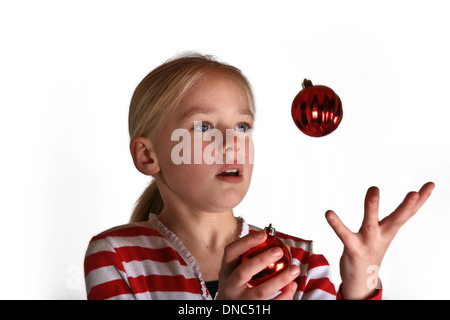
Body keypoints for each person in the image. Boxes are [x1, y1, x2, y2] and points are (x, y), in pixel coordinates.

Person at [84, 53, 434, 300]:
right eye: (204, 126)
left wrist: (363, 284)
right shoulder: (117, 256)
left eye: (242, 126)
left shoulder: (299, 261)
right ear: (148, 156)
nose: (232, 142)